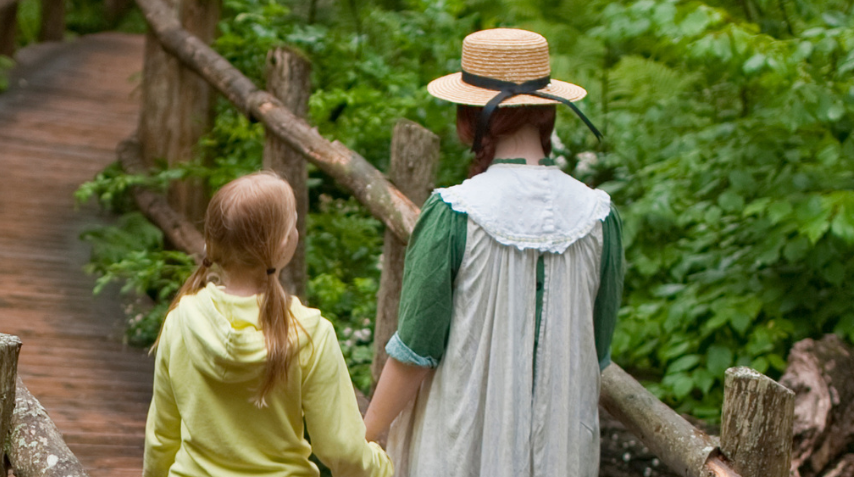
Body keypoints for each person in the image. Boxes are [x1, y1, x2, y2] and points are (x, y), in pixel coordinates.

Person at [360, 28, 624, 477]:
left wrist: (361, 438)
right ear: (547, 114)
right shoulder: (598, 216)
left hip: (460, 451)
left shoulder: (453, 212)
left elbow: (414, 353)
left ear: (469, 117)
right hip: (563, 456)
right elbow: (594, 350)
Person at [144, 173, 393, 477]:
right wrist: (383, 466)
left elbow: (161, 438)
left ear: (213, 241)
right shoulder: (309, 332)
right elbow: (342, 451)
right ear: (284, 244)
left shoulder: (181, 320)